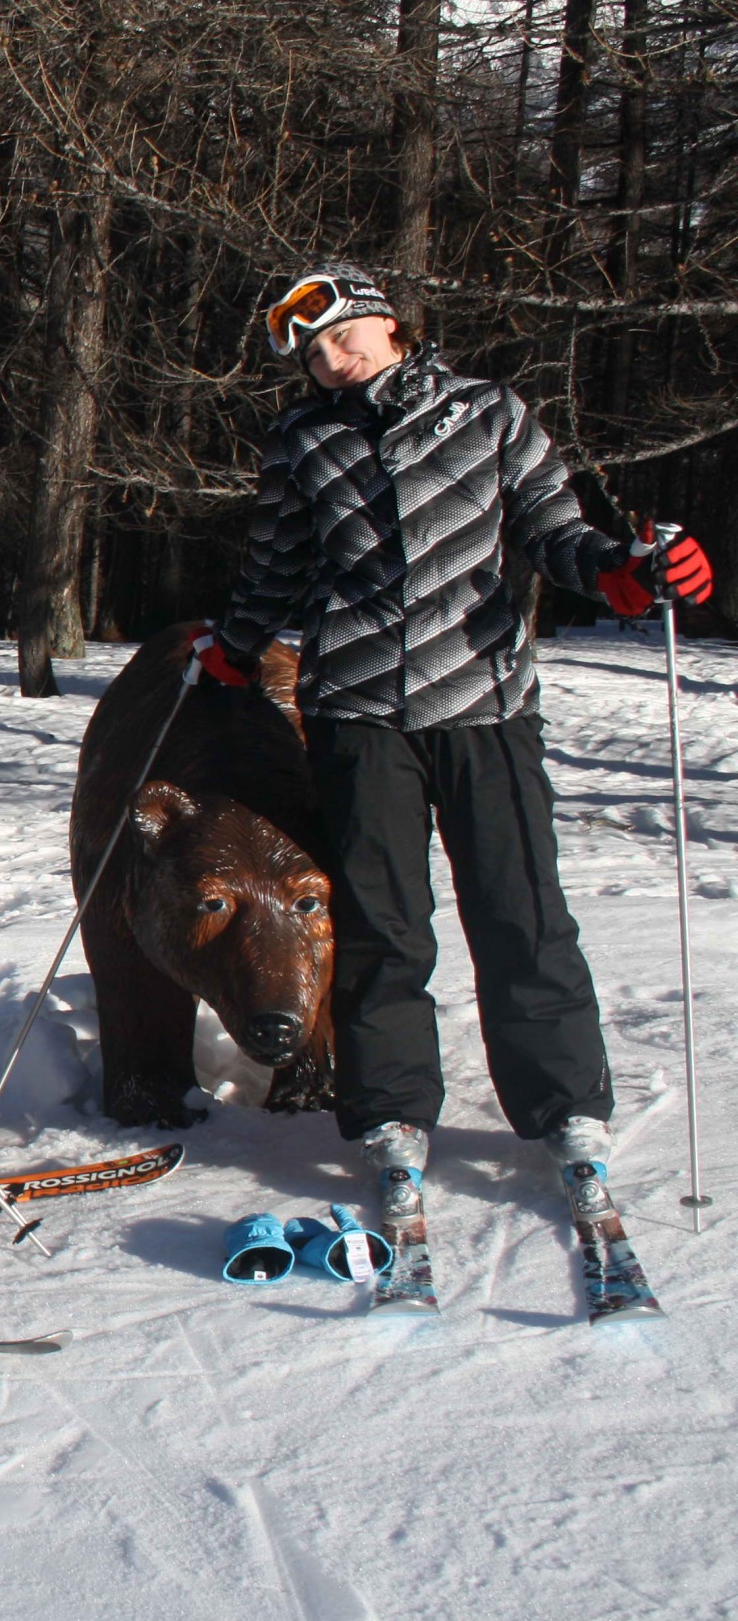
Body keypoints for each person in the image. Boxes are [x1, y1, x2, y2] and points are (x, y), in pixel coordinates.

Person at [194, 262, 713, 1221]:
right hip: (358, 710)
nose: (335, 361)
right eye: (315, 355)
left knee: (521, 912)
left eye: (344, 336)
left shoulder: (488, 413)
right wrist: (234, 647)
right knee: (383, 925)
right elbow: (277, 562)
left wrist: (627, 572)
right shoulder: (304, 440)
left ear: (389, 323)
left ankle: (565, 1107)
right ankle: (391, 1111)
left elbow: (555, 530)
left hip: (483, 700)